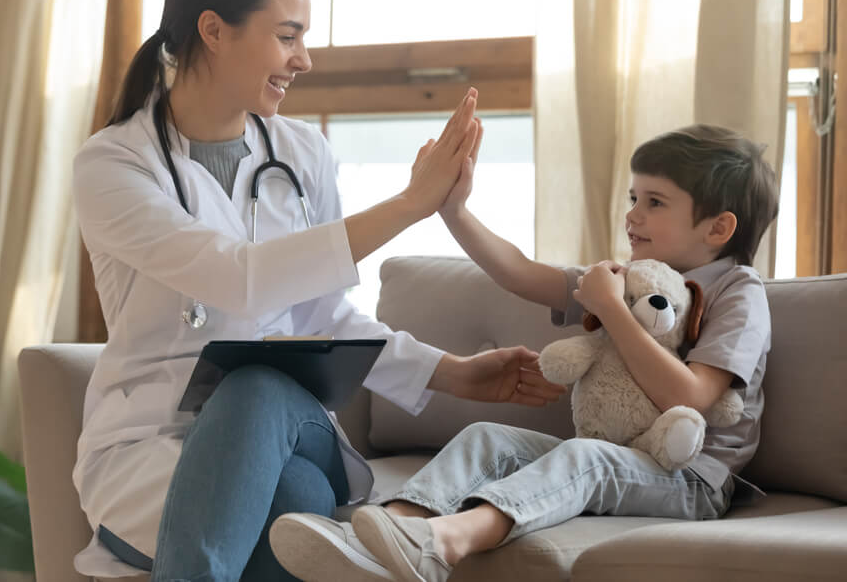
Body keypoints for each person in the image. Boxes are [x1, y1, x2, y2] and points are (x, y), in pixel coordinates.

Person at [70, 0, 565, 582]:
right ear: (214, 31)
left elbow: (324, 317)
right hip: (149, 447)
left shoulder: (303, 154)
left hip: (290, 427)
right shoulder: (114, 165)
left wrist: (457, 375)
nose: (303, 59)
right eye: (288, 35)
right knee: (297, 510)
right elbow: (238, 277)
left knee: (258, 382)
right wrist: (413, 202)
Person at [271, 124, 780, 582]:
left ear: (718, 228)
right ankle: (382, 537)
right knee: (487, 437)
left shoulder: (739, 293)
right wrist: (453, 211)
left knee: (585, 457)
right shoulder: (624, 278)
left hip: (689, 478)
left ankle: (446, 542)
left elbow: (690, 395)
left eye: (655, 202)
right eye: (634, 197)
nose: (632, 215)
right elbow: (519, 272)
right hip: (622, 457)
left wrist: (612, 309)